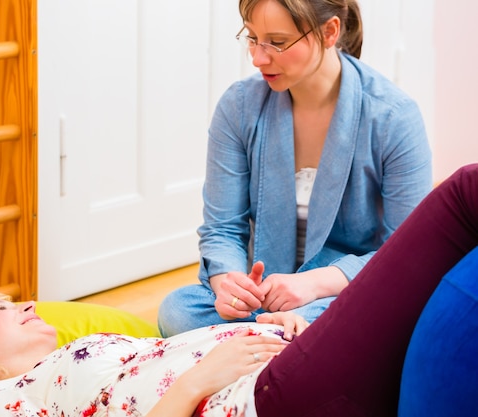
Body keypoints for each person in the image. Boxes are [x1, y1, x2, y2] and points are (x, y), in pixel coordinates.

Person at [0, 163, 478, 417]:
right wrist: (204, 375)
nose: (28, 304)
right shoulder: (1, 400)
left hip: (282, 362)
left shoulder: (80, 352)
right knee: (464, 198)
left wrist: (263, 328)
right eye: (5, 309)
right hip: (268, 399)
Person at [157, 0, 433, 337]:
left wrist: (314, 285)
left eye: (277, 41)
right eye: (252, 38)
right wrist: (228, 283)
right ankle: (287, 351)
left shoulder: (394, 118)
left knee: (366, 318)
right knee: (178, 311)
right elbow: (222, 229)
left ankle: (266, 349)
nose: (259, 58)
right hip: (264, 299)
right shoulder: (239, 107)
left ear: (330, 31)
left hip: (340, 294)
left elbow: (406, 255)